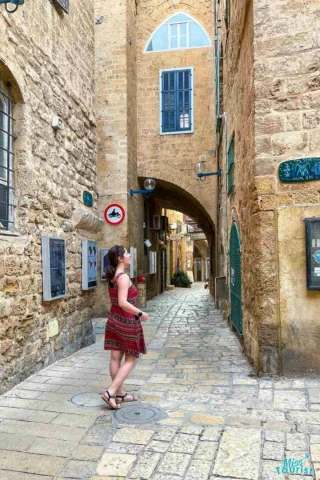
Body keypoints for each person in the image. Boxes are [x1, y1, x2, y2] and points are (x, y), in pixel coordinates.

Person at [102, 245, 148, 409]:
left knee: (115, 357)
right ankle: (111, 392)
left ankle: (120, 394)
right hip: (126, 322)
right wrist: (140, 313)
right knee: (131, 358)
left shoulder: (113, 277)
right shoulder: (123, 278)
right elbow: (123, 302)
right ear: (120, 259)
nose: (129, 255)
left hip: (114, 320)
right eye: (126, 253)